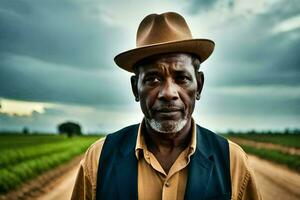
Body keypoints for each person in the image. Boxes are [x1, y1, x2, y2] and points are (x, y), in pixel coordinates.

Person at [71, 12, 262, 200]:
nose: (168, 93)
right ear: (135, 89)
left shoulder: (233, 162)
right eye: (153, 79)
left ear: (199, 85)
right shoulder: (98, 159)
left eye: (182, 78)